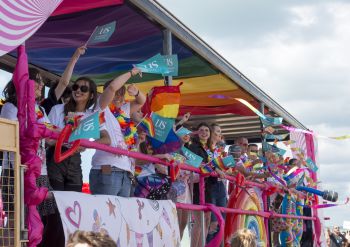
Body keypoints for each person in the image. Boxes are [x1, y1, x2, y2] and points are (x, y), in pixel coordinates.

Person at [46, 76, 110, 247]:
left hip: (75, 161)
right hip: (55, 157)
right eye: (76, 87)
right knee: (55, 210)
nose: (78, 91)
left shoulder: (92, 116)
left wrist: (87, 144)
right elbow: (46, 138)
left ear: (91, 95)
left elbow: (107, 139)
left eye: (83, 89)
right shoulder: (58, 109)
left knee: (73, 209)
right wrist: (65, 140)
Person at [0, 68, 55, 246]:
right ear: (24, 83)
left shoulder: (40, 110)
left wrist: (70, 137)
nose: (40, 85)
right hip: (17, 170)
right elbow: (12, 139)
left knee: (37, 223)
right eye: (36, 80)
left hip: (41, 172)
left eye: (41, 81)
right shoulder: (11, 107)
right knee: (16, 223)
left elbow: (49, 138)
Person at [90, 67, 146, 197]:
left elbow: (141, 101)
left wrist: (137, 92)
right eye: (116, 93)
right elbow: (111, 88)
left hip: (125, 171)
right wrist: (131, 73)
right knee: (105, 213)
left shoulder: (123, 110)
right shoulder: (101, 107)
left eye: (122, 94)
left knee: (120, 216)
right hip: (107, 169)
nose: (119, 97)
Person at [187, 122, 212, 247]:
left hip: (209, 186)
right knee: (199, 220)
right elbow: (192, 164)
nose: (204, 132)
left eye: (206, 130)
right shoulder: (193, 146)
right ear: (197, 133)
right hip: (197, 185)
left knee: (207, 220)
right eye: (201, 130)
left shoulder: (211, 149)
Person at [41, 46, 86, 115]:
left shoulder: (69, 113)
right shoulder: (49, 104)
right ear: (62, 98)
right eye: (68, 100)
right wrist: (75, 57)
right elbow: (64, 83)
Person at [207, 123, 227, 245]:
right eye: (217, 131)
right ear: (211, 132)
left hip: (221, 186)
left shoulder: (218, 152)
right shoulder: (205, 149)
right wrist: (217, 170)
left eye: (220, 131)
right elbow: (205, 165)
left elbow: (225, 168)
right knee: (213, 223)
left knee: (221, 223)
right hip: (210, 185)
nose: (219, 133)